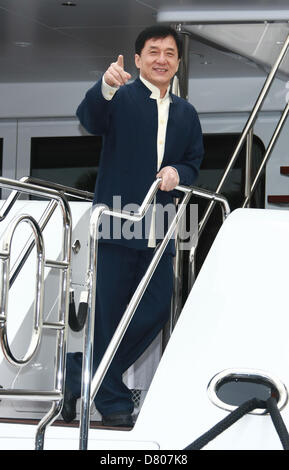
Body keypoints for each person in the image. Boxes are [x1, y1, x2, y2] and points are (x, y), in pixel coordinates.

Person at [62, 25, 204, 427]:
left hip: (159, 227)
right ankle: (111, 398)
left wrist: (179, 170)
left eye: (170, 53)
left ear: (176, 64)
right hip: (117, 222)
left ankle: (84, 372)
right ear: (139, 59)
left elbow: (194, 160)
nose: (162, 59)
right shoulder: (120, 97)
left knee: (155, 309)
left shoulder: (186, 113)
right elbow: (89, 118)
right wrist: (105, 86)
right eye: (153, 52)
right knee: (109, 315)